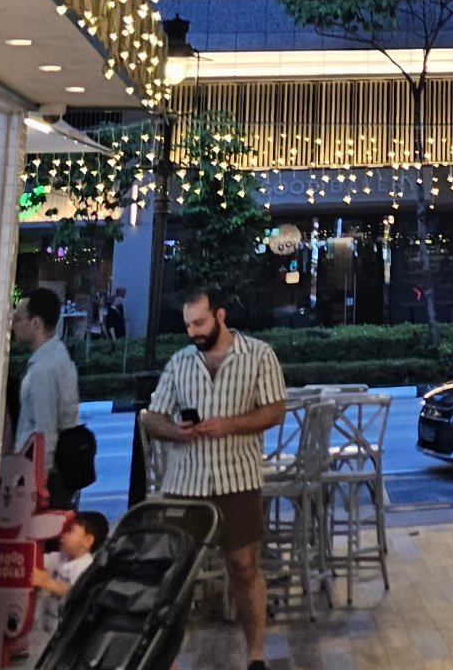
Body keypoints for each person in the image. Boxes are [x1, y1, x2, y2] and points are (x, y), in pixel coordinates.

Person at [138, 286, 289, 670]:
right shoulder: (180, 363)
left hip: (237, 479)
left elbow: (275, 411)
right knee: (175, 573)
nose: (194, 331)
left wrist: (230, 425)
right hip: (184, 484)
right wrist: (176, 431)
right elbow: (153, 418)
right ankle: (166, 658)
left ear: (220, 316)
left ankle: (255, 656)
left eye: (200, 323)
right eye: (189, 325)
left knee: (244, 566)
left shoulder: (259, 355)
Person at [12, 287, 83, 502]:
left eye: (18, 319)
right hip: (55, 471)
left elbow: (45, 432)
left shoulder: (44, 369)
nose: (13, 324)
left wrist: (38, 486)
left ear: (36, 323)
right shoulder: (58, 356)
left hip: (42, 477)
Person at [29, 509, 108, 662]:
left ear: (88, 540)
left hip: (63, 631)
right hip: (45, 626)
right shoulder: (60, 557)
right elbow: (39, 561)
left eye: (70, 531)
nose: (62, 535)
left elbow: (75, 590)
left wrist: (48, 583)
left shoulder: (86, 566)